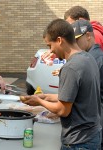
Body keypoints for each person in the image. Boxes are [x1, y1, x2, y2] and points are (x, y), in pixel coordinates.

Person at [22, 19, 101, 149]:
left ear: (59, 40)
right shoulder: (88, 58)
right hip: (92, 135)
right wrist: (44, 96)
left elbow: (62, 110)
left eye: (49, 45)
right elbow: (75, 97)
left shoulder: (71, 67)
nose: (50, 51)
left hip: (78, 141)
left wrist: (39, 101)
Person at [71, 19, 103, 149]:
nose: (75, 45)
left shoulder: (94, 59)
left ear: (88, 36)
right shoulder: (91, 56)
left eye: (77, 40)